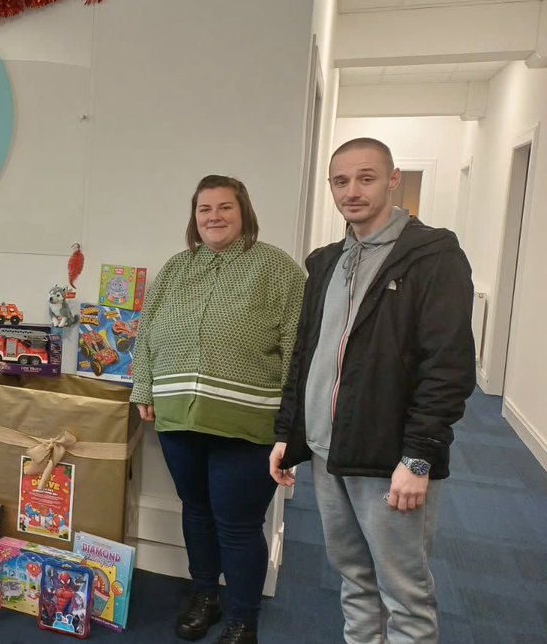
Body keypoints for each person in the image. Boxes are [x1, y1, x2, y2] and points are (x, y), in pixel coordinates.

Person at [270, 138, 475, 643]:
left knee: (404, 594)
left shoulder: (433, 256)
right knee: (354, 581)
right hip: (326, 449)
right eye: (341, 181)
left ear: (392, 179)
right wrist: (288, 434)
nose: (352, 191)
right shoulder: (324, 262)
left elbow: (447, 366)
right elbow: (305, 356)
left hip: (390, 458)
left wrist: (420, 457)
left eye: (366, 177)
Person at [131, 175, 305, 644]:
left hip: (247, 422)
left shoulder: (278, 270)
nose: (214, 217)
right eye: (204, 209)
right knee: (197, 510)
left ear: (243, 211)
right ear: (194, 217)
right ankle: (205, 596)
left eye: (224, 207)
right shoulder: (174, 269)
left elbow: (296, 348)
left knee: (238, 523)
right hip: (177, 418)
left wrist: (291, 423)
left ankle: (243, 620)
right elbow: (147, 332)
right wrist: (144, 390)